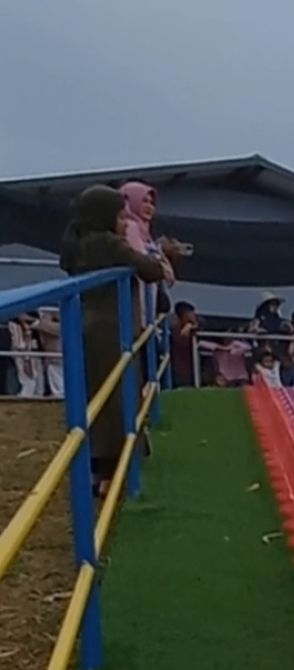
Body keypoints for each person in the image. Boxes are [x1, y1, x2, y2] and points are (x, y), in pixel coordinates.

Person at [60, 185, 178, 495]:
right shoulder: (108, 243)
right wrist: (151, 252)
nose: (124, 219)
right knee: (117, 394)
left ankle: (97, 469)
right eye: (119, 214)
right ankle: (115, 470)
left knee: (96, 394)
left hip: (85, 323)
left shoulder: (77, 243)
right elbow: (150, 270)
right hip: (112, 327)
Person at [119, 181, 178, 322]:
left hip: (147, 298)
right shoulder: (130, 227)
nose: (149, 207)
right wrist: (161, 265)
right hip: (137, 302)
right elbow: (139, 256)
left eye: (152, 203)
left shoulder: (144, 231)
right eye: (144, 201)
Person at [8, 314, 44, 398]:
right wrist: (26, 359)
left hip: (34, 353)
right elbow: (20, 345)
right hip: (23, 354)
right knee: (29, 382)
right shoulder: (15, 324)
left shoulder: (33, 323)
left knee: (39, 387)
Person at [35, 307, 63, 398]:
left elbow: (44, 325)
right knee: (57, 389)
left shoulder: (66, 323)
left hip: (60, 357)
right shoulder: (45, 322)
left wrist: (42, 322)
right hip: (53, 358)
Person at [171, 301, 199, 388]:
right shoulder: (176, 330)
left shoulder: (194, 327)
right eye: (191, 314)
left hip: (192, 369)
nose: (194, 316)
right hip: (180, 370)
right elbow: (182, 341)